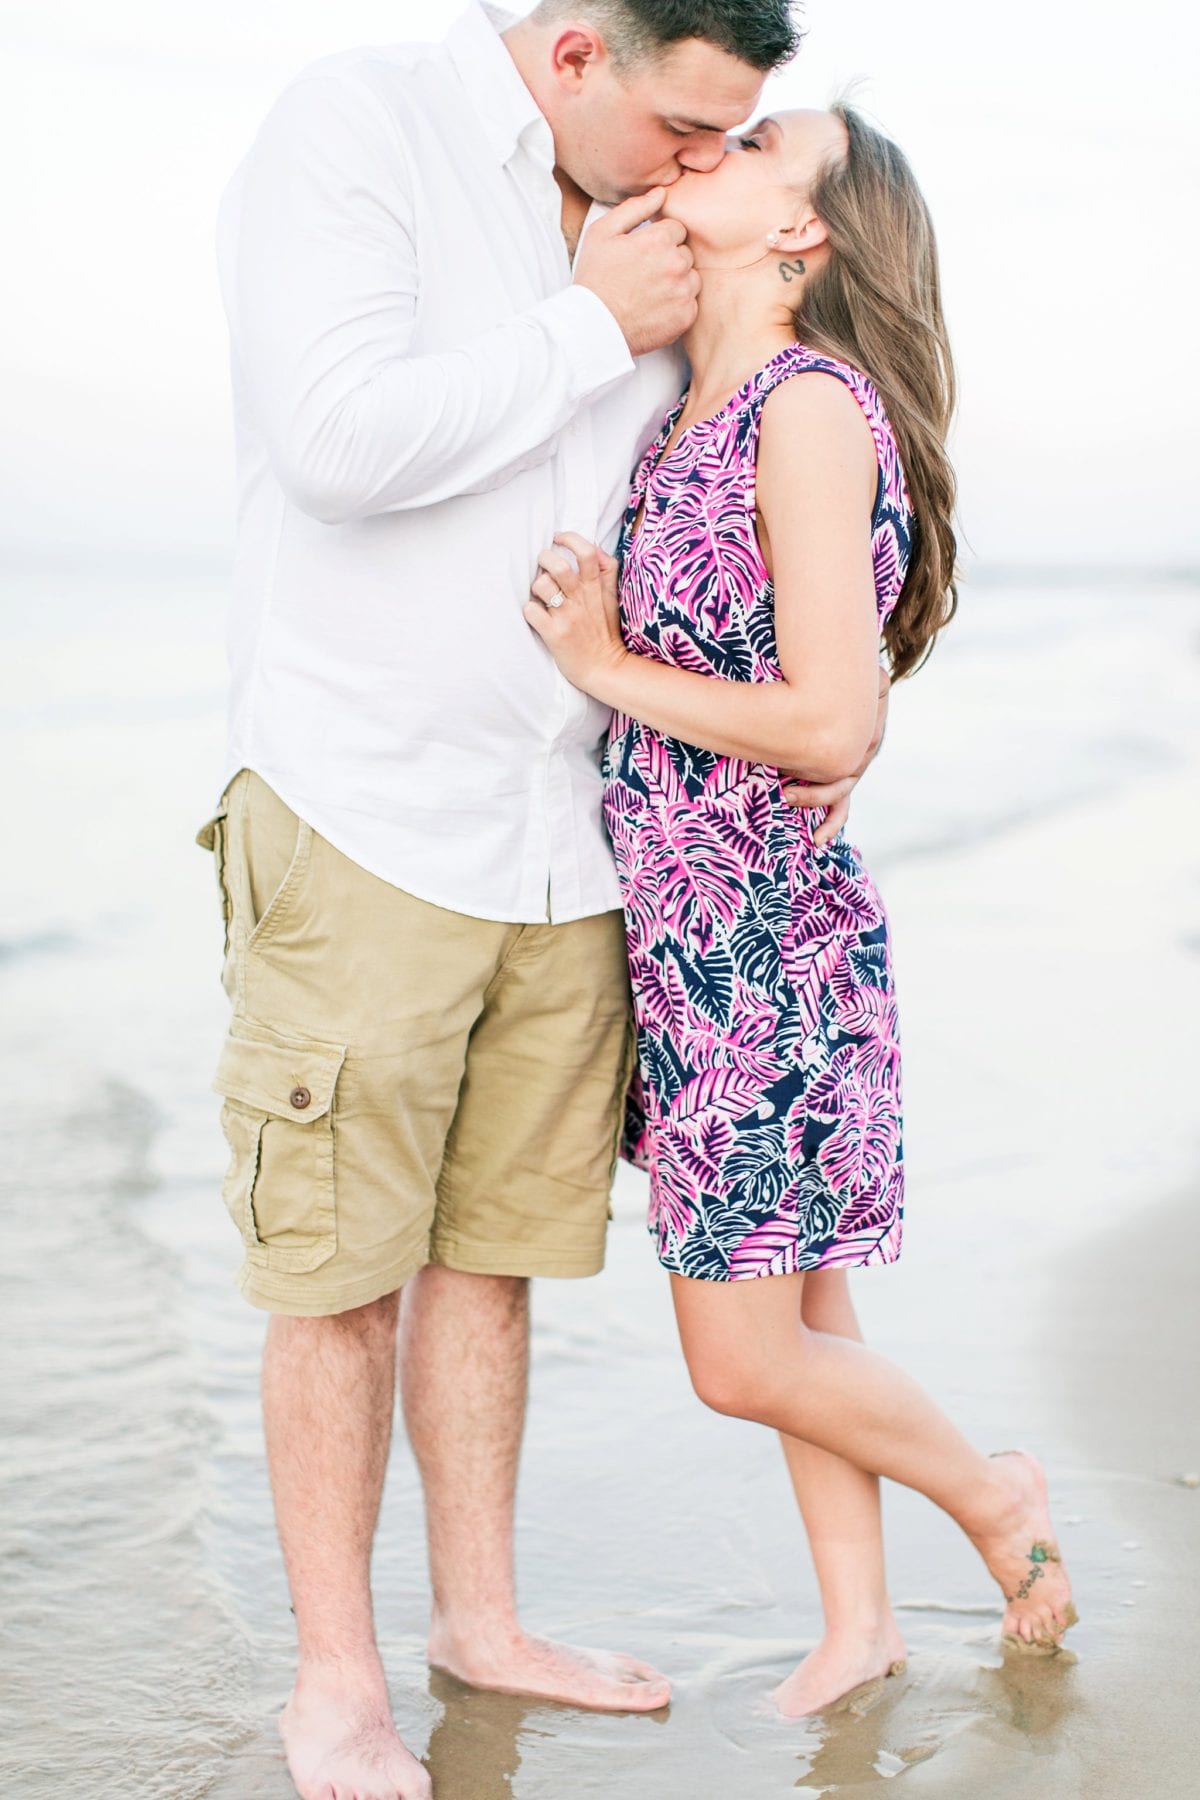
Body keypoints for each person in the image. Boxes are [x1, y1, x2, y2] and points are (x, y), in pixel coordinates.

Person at [198, 5, 887, 1797]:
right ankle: (339, 1677)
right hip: (366, 809)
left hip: (572, 836)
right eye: (677, 121)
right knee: (342, 1273)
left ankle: (480, 1623)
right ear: (578, 51)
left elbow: (760, 493)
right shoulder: (366, 129)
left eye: (729, 139)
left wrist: (824, 716)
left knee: (494, 1260)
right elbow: (340, 443)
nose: (693, 164)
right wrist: (588, 324)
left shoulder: (671, 231)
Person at [526, 103, 1078, 1716]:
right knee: (807, 1301)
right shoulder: (680, 408)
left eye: (762, 140)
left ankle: (995, 1500)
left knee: (742, 1354)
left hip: (763, 937)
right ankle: (862, 1624)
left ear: (804, 231)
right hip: (695, 933)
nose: (716, 140)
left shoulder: (809, 406)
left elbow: (833, 720)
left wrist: (606, 668)